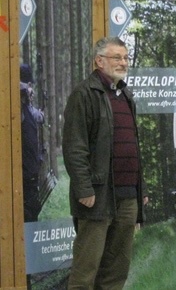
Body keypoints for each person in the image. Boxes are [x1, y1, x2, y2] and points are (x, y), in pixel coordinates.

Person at [63, 37, 147, 290]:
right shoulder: (84, 94)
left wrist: (140, 189)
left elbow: (132, 146)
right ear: (99, 61)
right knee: (85, 271)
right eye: (116, 57)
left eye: (125, 58)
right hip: (97, 197)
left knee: (116, 270)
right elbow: (74, 147)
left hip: (127, 197)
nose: (123, 63)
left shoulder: (126, 95)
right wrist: (84, 188)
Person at [20, 63, 44, 222]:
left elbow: (38, 117)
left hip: (30, 172)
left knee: (32, 210)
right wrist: (24, 89)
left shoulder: (26, 106)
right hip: (24, 173)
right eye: (29, 85)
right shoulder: (15, 103)